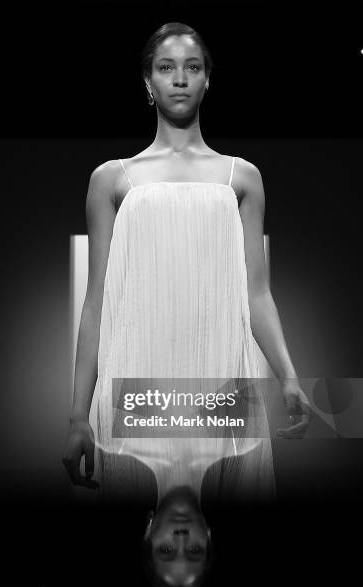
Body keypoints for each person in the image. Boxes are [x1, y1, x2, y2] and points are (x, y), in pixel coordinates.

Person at [62, 22, 311, 505]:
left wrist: (291, 379)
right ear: (148, 83)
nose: (180, 78)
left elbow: (257, 294)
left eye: (192, 67)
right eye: (166, 67)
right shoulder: (112, 179)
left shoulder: (242, 177)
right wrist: (76, 418)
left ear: (207, 80)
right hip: (139, 386)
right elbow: (96, 304)